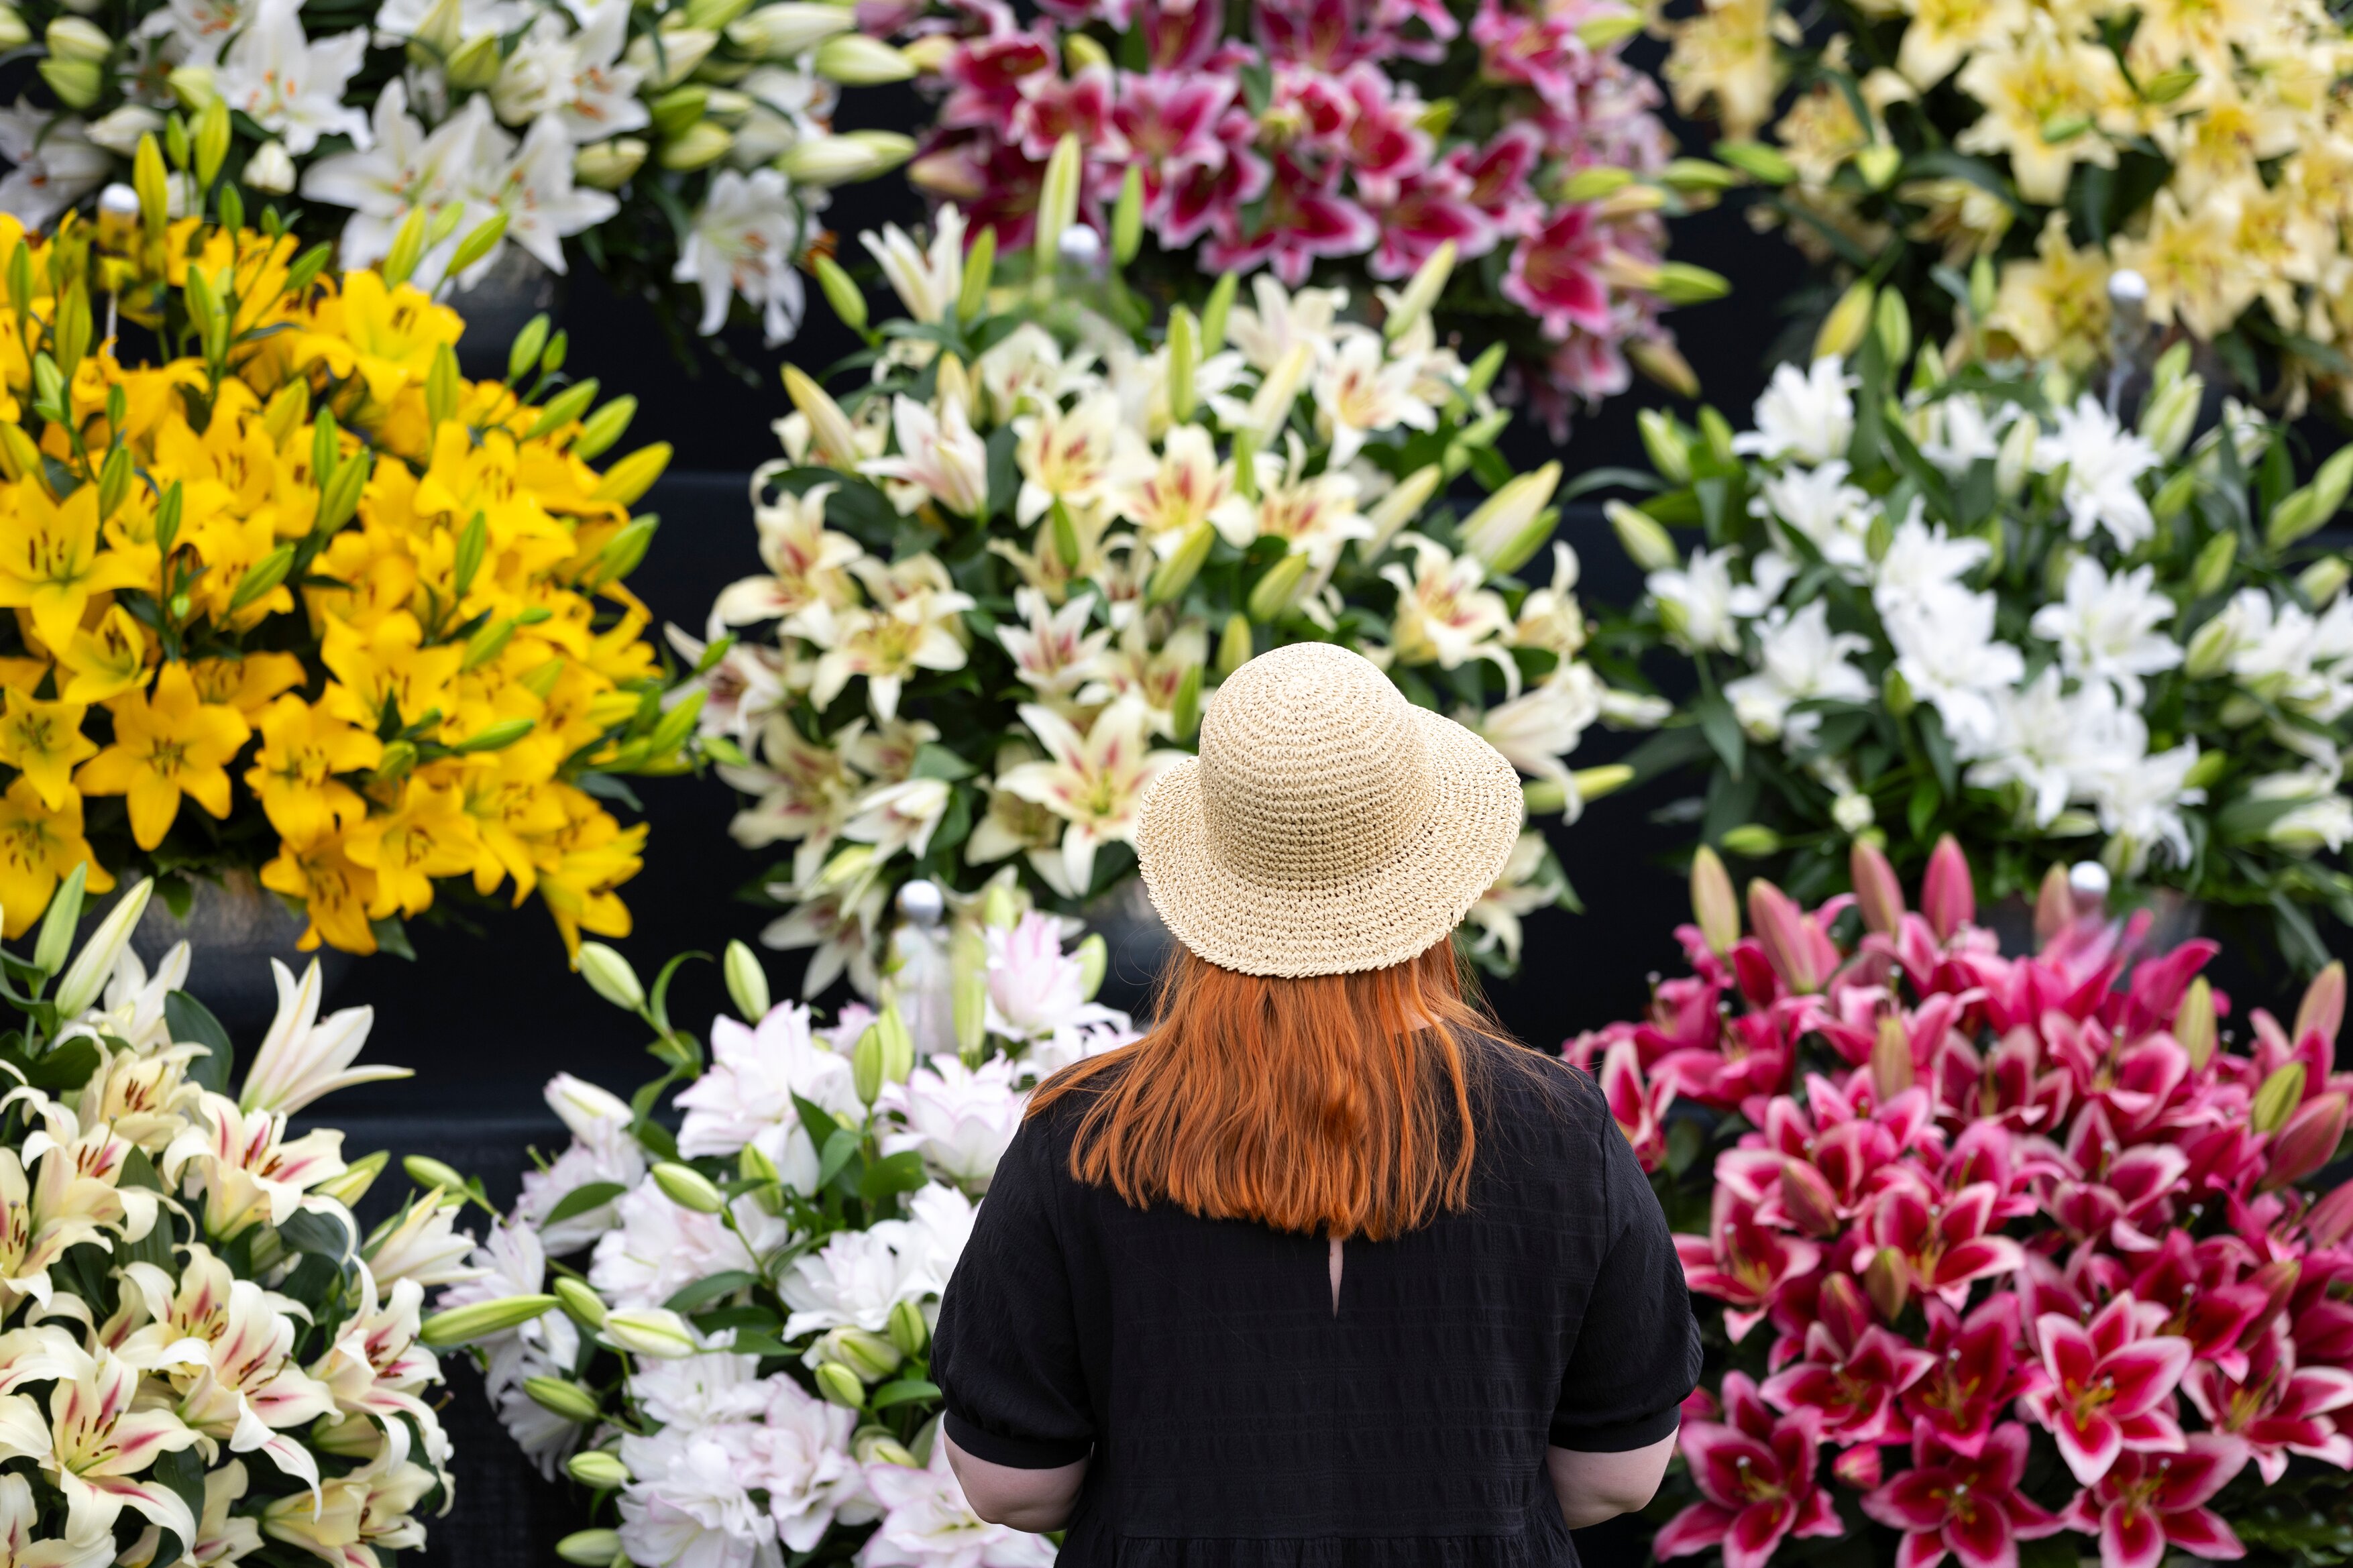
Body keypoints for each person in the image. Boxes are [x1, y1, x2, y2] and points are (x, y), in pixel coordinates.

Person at [930, 640, 1700, 1562]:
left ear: (1208, 884)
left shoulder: (1081, 1135)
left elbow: (1013, 1482)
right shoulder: (1563, 1127)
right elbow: (1618, 1471)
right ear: (1433, 881)